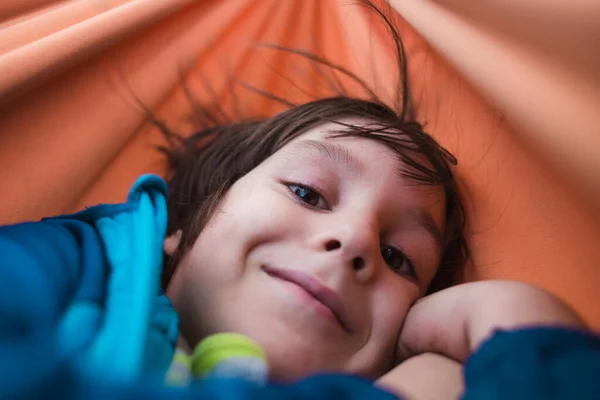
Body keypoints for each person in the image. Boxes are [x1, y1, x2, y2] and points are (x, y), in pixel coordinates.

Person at [1, 1, 599, 399]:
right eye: (309, 193)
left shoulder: (427, 378)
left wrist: (508, 311)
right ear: (183, 228)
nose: (358, 240)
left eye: (399, 259)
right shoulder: (86, 262)